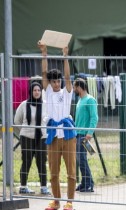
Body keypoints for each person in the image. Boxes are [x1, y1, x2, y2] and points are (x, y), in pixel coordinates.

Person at [38, 41, 77, 210]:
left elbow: (68, 77)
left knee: (71, 171)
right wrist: (44, 53)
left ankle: (70, 202)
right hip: (53, 135)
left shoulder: (67, 92)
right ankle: (56, 200)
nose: (56, 84)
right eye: (53, 82)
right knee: (54, 172)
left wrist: (65, 56)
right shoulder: (46, 92)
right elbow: (44, 72)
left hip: (68, 135)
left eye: (57, 81)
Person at [14, 81, 50, 195]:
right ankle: (23, 186)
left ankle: (44, 187)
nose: (37, 92)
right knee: (26, 161)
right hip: (26, 137)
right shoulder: (24, 104)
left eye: (39, 90)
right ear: (31, 91)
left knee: (41, 161)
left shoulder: (45, 104)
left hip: (42, 138)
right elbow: (17, 120)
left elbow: (49, 120)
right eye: (34, 90)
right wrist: (25, 131)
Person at [73, 78, 98, 192]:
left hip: (84, 135)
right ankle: (85, 182)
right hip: (77, 134)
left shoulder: (90, 100)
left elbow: (94, 117)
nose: (73, 89)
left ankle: (89, 183)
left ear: (79, 87)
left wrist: (90, 132)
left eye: (74, 87)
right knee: (80, 159)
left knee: (82, 159)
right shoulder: (80, 100)